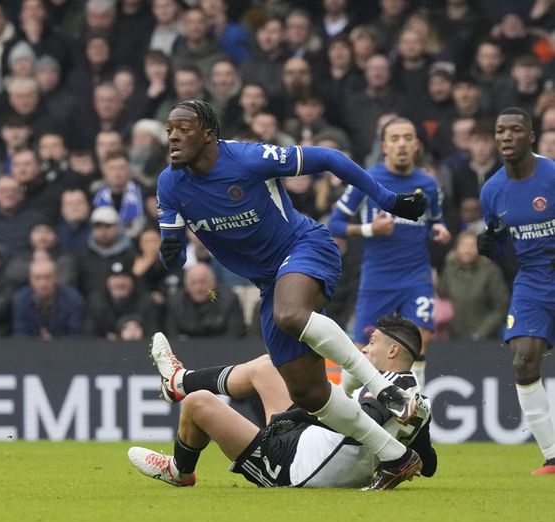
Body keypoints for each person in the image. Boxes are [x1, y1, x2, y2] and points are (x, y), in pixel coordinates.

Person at [156, 99, 428, 489]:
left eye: (183, 128)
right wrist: (171, 252)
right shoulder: (169, 183)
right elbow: (174, 252)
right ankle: (396, 456)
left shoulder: (249, 158)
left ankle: (385, 389)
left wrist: (388, 200)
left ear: (209, 134)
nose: (173, 136)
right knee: (309, 392)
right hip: (269, 283)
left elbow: (330, 158)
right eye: (169, 130)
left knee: (290, 313)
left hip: (304, 247)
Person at [129, 315, 436, 489]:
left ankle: (179, 471)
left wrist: (299, 415)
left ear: (393, 352)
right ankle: (178, 381)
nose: (364, 351)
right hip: (305, 442)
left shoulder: (391, 391)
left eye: (372, 343)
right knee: (266, 366)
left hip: (292, 468)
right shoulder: (417, 401)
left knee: (199, 404)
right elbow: (429, 463)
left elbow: (366, 416)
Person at [328, 117, 450, 389]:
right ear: (384, 146)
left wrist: (438, 229)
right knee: (363, 350)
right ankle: (345, 407)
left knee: (421, 338)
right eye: (395, 139)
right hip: (378, 277)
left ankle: (413, 408)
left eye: (408, 138)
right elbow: (335, 223)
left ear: (417, 145)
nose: (402, 144)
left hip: (416, 275)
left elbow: (433, 220)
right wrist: (371, 229)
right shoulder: (367, 178)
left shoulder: (428, 184)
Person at [477, 107, 555, 475]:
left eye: (515, 130)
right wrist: (490, 248)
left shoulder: (552, 176)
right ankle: (553, 456)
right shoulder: (492, 191)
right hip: (532, 279)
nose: (506, 136)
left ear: (531, 136)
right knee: (523, 358)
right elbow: (501, 245)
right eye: (500, 131)